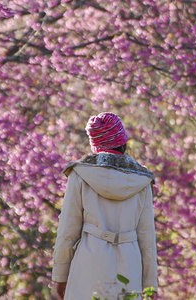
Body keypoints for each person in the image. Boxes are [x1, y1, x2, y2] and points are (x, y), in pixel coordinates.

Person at [52, 112, 158, 300]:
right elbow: (147, 237)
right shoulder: (142, 180)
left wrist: (60, 276)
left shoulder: (80, 174)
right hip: (130, 266)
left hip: (88, 265)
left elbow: (67, 230)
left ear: (96, 144)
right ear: (122, 141)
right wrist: (150, 285)